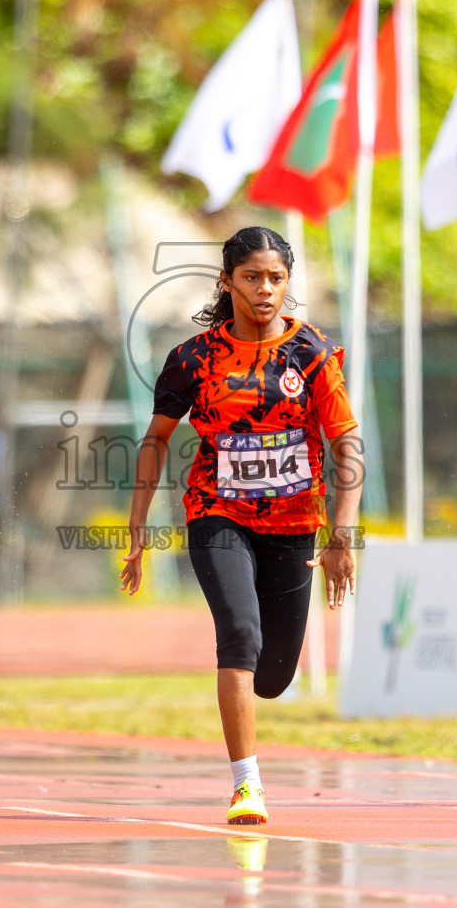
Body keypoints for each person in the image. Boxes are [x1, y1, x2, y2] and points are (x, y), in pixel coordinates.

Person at [123, 225, 364, 827]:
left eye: (276, 279)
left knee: (274, 675)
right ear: (226, 281)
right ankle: (246, 786)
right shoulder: (191, 360)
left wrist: (341, 537)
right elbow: (155, 441)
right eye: (252, 278)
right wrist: (136, 529)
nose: (265, 290)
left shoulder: (311, 354)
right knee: (238, 632)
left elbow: (346, 443)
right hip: (217, 514)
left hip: (293, 525)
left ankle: (255, 698)